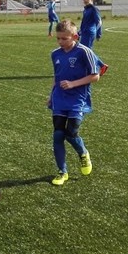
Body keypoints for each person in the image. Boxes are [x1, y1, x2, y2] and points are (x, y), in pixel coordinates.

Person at [48, 19, 101, 186]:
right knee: (58, 135)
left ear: (75, 37)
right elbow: (56, 77)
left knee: (71, 134)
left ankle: (83, 153)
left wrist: (73, 84)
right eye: (58, 38)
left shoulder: (84, 52)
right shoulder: (55, 54)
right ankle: (62, 172)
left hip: (78, 99)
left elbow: (95, 76)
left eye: (64, 38)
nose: (60, 42)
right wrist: (51, 95)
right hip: (59, 98)